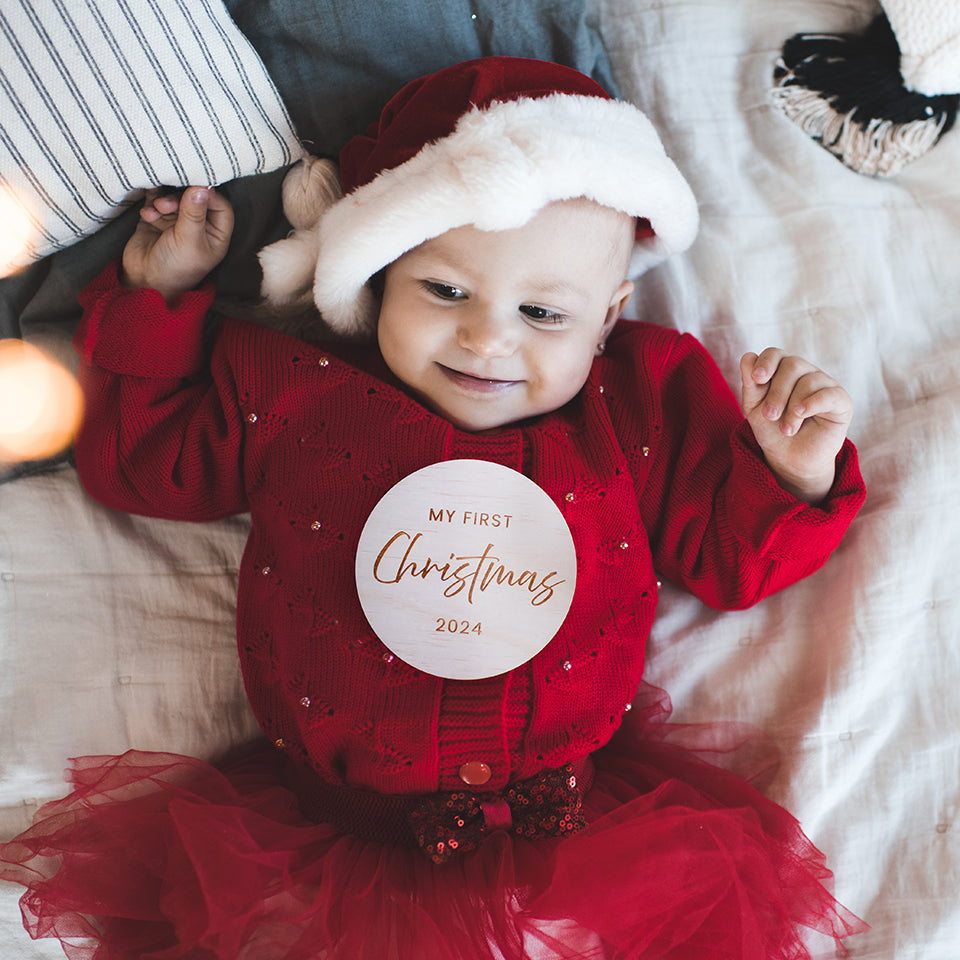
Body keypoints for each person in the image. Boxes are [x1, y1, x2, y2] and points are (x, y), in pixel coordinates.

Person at [0, 57, 867, 959]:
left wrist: (791, 471)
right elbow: (146, 465)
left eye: (543, 313)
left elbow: (729, 561)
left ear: (608, 318)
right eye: (445, 291)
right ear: (377, 275)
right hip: (324, 837)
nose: (488, 337)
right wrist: (161, 300)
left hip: (582, 831)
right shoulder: (298, 392)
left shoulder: (636, 405)